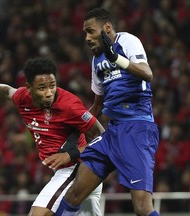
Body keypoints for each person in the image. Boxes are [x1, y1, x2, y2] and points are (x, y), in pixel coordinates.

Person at [56, 7, 160, 216]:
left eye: (90, 31)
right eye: (85, 33)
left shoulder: (126, 41)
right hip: (111, 133)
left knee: (142, 208)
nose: (86, 38)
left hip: (137, 130)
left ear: (107, 28)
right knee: (72, 195)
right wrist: (75, 134)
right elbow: (97, 106)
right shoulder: (96, 61)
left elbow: (147, 74)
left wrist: (118, 59)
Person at [0, 57, 105, 216]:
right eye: (42, 88)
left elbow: (102, 137)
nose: (48, 93)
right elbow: (7, 91)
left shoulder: (69, 106)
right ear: (29, 87)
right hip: (71, 172)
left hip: (78, 169)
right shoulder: (23, 98)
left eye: (52, 86)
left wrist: (70, 155)